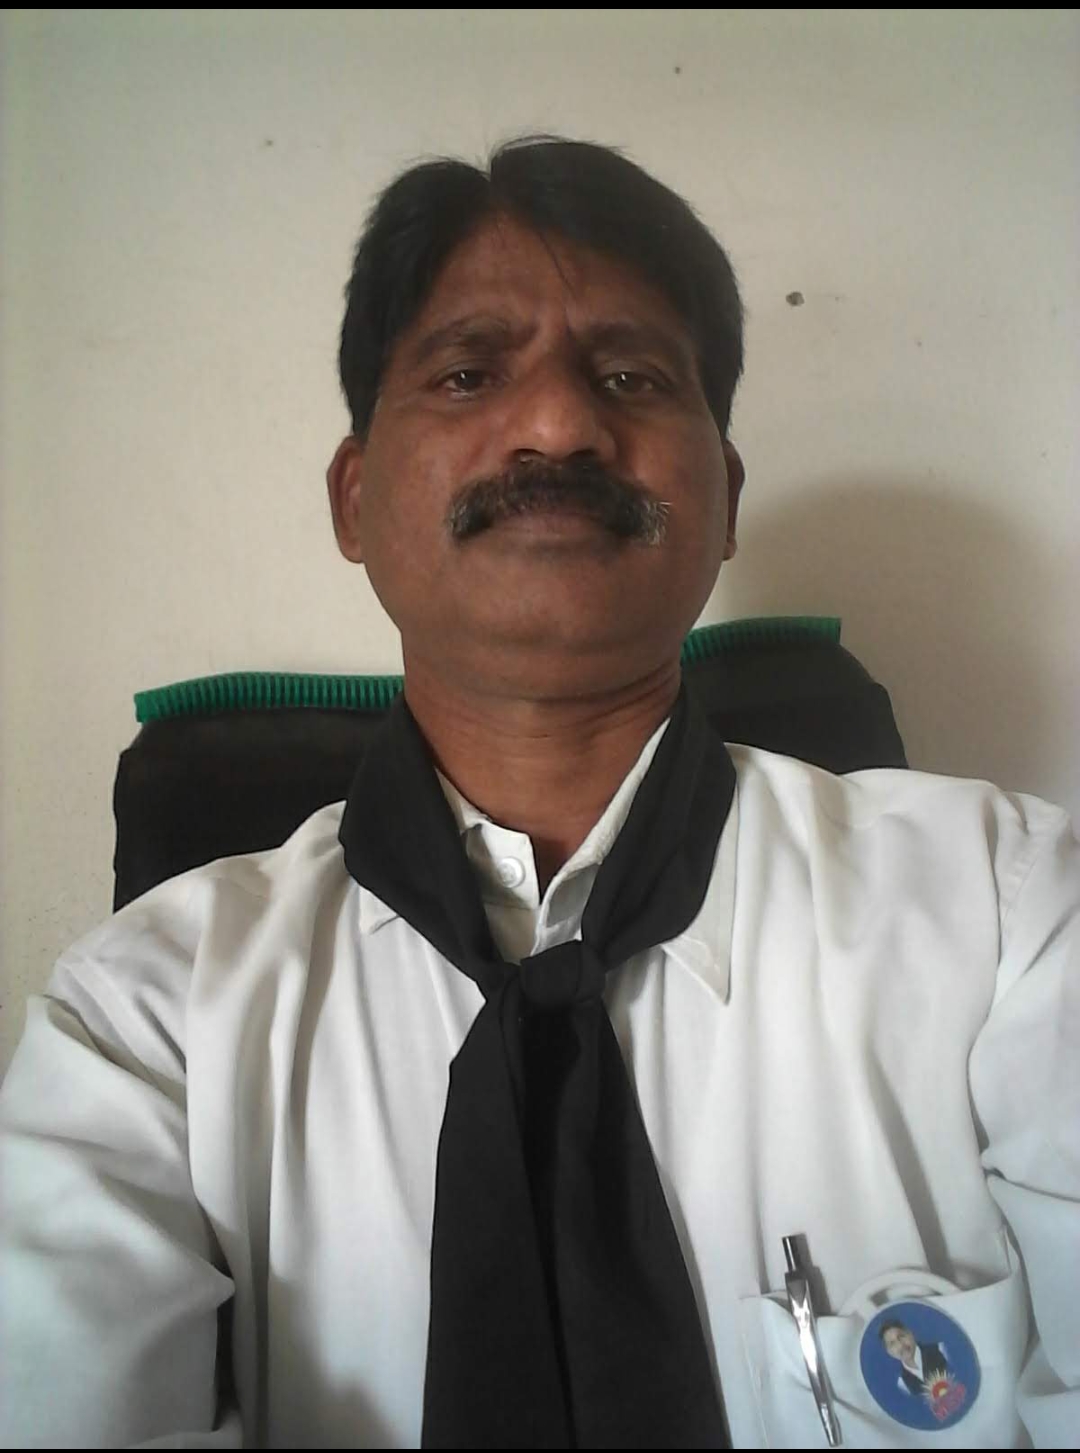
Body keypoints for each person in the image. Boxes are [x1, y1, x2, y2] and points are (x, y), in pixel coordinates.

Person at [1, 135, 1077, 1450]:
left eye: (631, 376)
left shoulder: (1012, 918)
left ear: (725, 499)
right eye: (468, 373)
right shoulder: (141, 1031)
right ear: (355, 500)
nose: (562, 425)